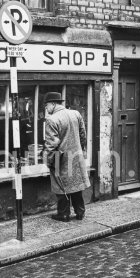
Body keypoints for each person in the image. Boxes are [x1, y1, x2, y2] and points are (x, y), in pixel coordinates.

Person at [43, 92, 90, 222]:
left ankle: (63, 214)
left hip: (61, 158)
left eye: (47, 105)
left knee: (61, 186)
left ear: (53, 104)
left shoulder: (52, 120)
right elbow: (83, 135)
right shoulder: (76, 114)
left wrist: (50, 161)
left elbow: (51, 145)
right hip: (76, 156)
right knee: (75, 185)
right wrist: (80, 149)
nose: (46, 108)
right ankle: (80, 212)